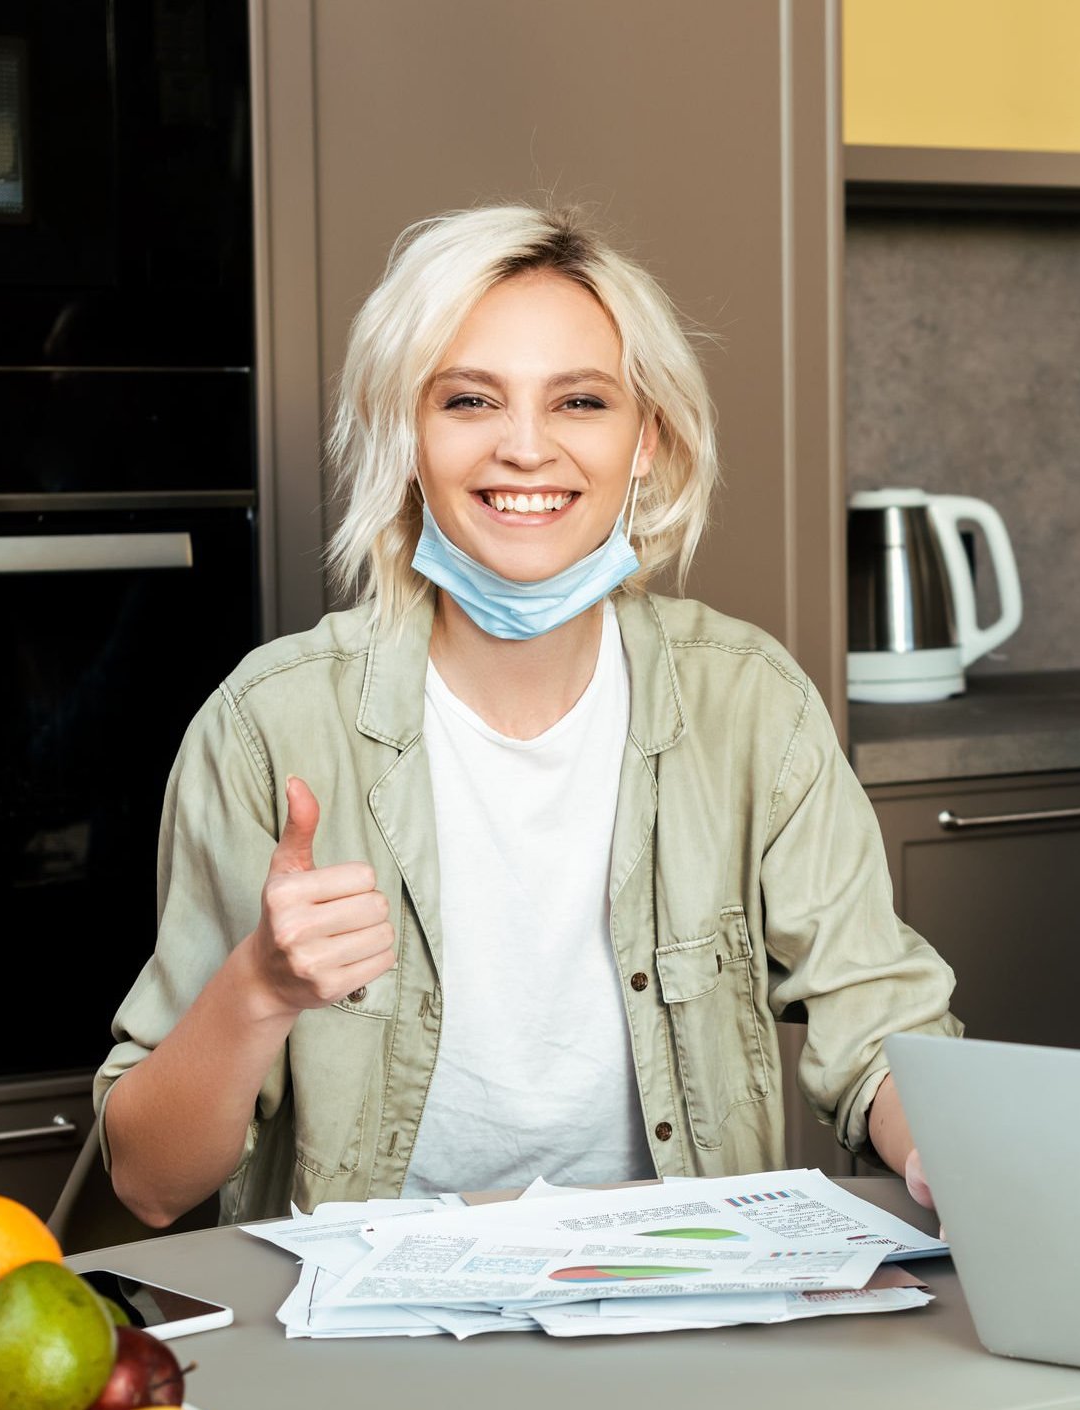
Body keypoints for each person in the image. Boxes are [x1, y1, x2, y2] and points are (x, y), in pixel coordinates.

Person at [97, 205, 960, 1226]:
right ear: (406, 436)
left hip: (679, 1310)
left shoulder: (750, 704)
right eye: (469, 400)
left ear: (646, 440)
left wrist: (952, 1159)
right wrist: (260, 990)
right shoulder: (265, 727)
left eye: (579, 402)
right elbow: (149, 1183)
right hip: (375, 1349)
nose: (524, 449)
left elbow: (881, 1033)